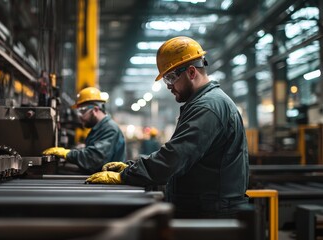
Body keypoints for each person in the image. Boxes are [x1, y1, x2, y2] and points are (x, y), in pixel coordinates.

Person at [85, 36, 249, 219]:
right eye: (166, 80)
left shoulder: (208, 107)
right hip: (205, 208)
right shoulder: (204, 104)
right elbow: (175, 154)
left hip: (212, 214)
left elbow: (174, 157)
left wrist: (125, 175)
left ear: (192, 72)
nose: (169, 86)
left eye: (171, 77)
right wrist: (131, 166)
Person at [43, 87, 126, 174]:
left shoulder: (110, 129)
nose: (80, 116)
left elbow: (93, 159)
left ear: (95, 110)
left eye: (82, 111)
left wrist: (67, 153)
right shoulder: (100, 128)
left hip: (107, 183)